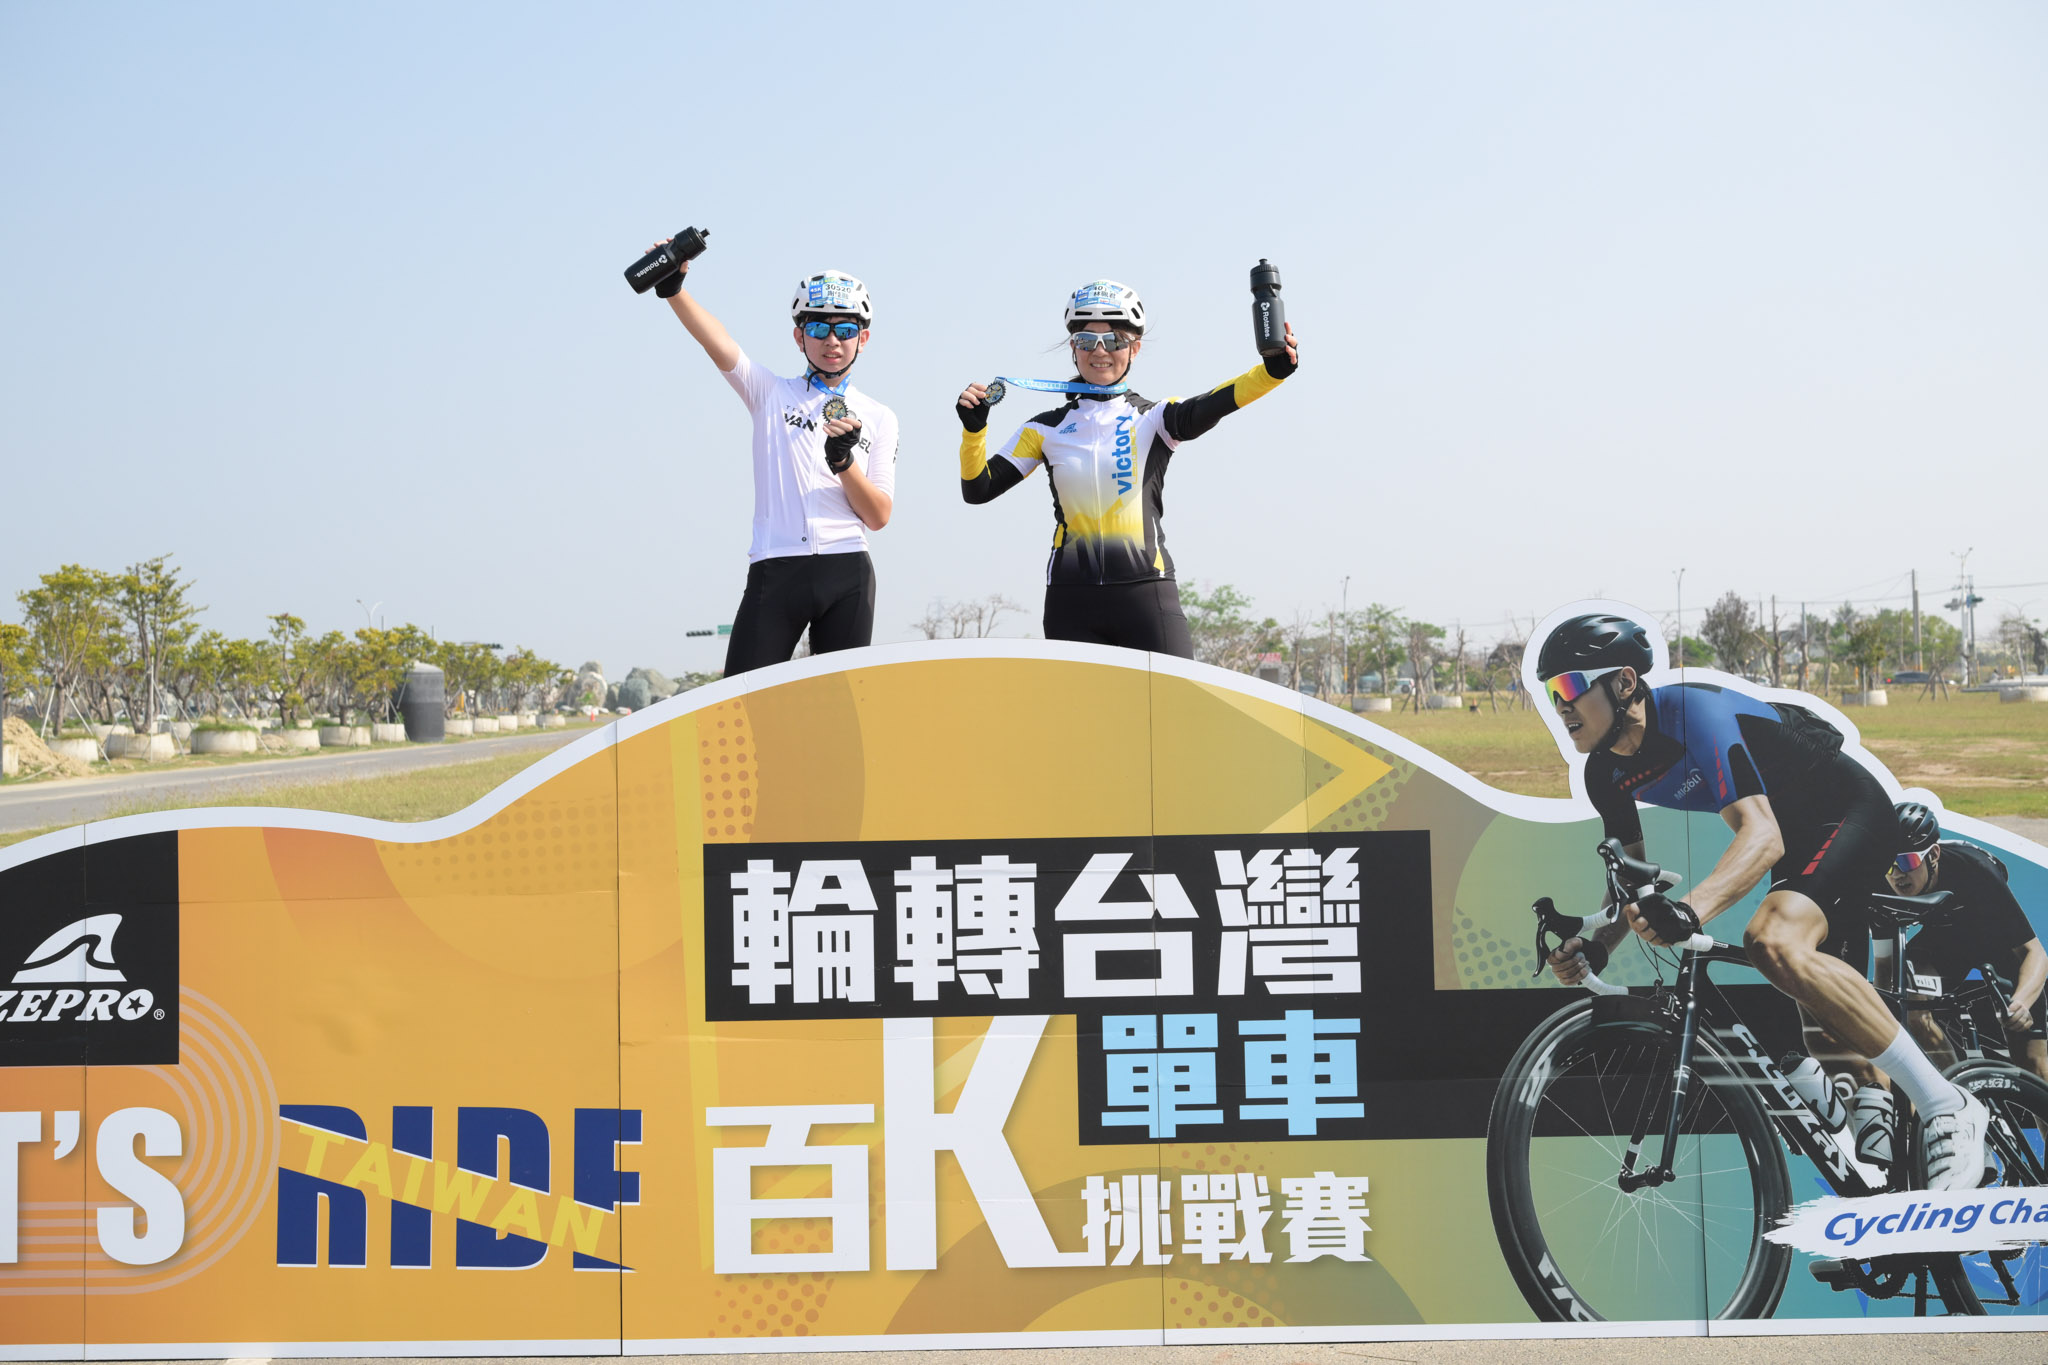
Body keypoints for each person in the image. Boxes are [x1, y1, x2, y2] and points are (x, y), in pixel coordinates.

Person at [1538, 613, 1990, 1191]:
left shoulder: (1692, 714)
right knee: (1797, 984)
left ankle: (1947, 1105)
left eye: (1571, 687)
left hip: (1849, 810)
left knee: (1772, 938)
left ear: (1625, 682)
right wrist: (1598, 948)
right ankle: (1867, 1115)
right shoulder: (1604, 772)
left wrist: (1689, 911)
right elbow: (1629, 877)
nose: (1562, 706)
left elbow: (1761, 834)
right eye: (1552, 694)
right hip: (1796, 832)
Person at [953, 280, 1297, 656]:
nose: (1100, 351)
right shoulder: (1043, 429)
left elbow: (1219, 400)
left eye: (1115, 340)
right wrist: (974, 431)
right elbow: (978, 489)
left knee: (1177, 697)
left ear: (1134, 348)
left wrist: (1271, 373)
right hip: (1072, 601)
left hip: (1147, 595)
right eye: (1087, 340)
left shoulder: (1156, 418)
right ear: (1073, 348)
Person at [653, 249, 898, 676]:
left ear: (863, 338)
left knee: (841, 707)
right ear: (799, 337)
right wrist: (675, 289)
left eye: (845, 329)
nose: (832, 341)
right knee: (742, 700)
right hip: (776, 567)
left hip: (847, 570)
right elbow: (718, 343)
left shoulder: (880, 416)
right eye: (818, 327)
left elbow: (878, 516)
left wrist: (843, 463)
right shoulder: (770, 393)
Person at [1890, 801, 2048, 1083]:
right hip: (1943, 941)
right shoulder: (1884, 876)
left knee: (2033, 1063)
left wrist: (2022, 1003)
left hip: (1996, 942)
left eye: (1907, 862)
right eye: (1889, 864)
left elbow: (2033, 952)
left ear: (1933, 855)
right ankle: (1958, 1095)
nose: (1898, 874)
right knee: (1912, 1000)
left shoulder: (1975, 870)